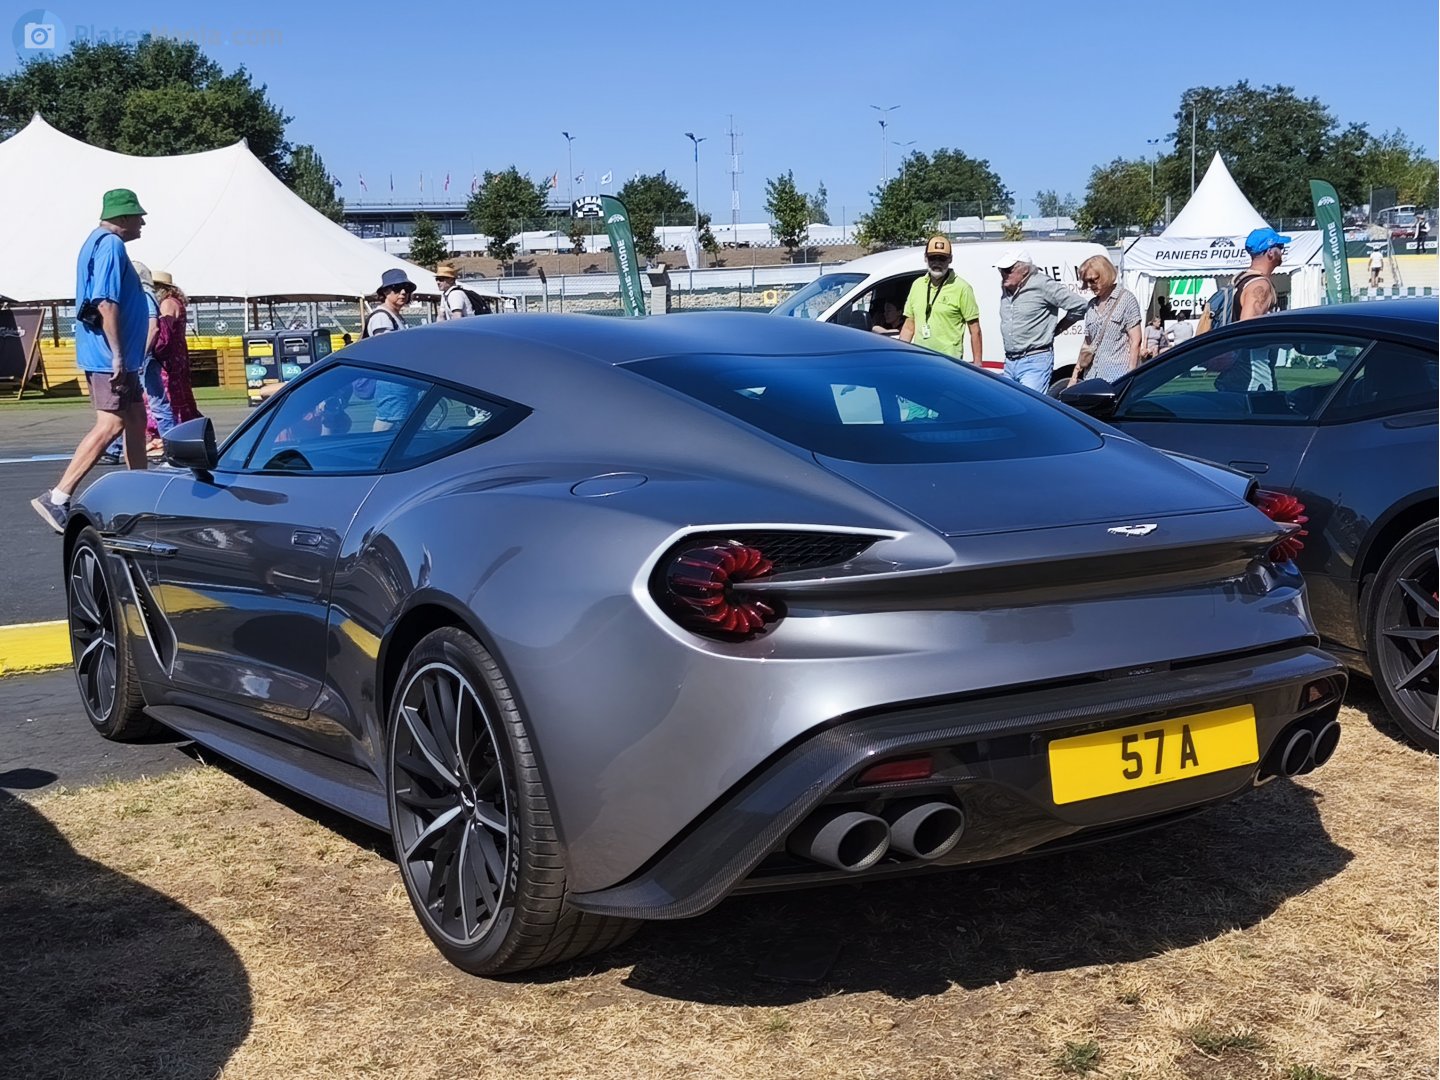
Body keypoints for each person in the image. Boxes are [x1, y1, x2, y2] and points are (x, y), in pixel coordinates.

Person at [32, 189, 150, 533]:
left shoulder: (94, 242)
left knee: (136, 418)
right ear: (124, 217)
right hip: (108, 355)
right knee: (111, 424)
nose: (142, 222)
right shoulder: (111, 245)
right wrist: (117, 354)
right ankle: (57, 496)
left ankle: (139, 492)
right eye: (138, 216)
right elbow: (105, 302)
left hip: (113, 356)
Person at [97, 260, 166, 465]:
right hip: (136, 357)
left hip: (140, 357)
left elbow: (152, 327)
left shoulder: (144, 295)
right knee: (130, 407)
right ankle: (116, 449)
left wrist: (141, 355)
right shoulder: (142, 295)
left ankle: (166, 444)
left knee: (147, 403)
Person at [994, 247, 1088, 391]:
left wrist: (1057, 329)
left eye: (1008, 270)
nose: (1003, 274)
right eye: (1001, 270)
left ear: (1024, 269)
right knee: (1009, 406)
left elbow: (1079, 305)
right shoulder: (1007, 287)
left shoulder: (1042, 284)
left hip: (1035, 359)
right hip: (1010, 361)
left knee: (1030, 407)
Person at [899, 235, 982, 363]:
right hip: (920, 360)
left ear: (950, 259)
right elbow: (909, 327)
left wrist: (978, 363)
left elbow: (975, 329)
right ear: (925, 258)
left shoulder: (962, 288)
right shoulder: (917, 285)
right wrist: (900, 357)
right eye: (933, 258)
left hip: (949, 364)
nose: (937, 263)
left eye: (942, 258)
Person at [1070, 255, 1141, 385]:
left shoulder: (1126, 299)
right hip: (1092, 376)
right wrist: (1074, 376)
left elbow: (1135, 341)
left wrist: (1131, 376)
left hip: (1118, 377)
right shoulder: (1091, 305)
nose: (1090, 286)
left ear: (1105, 275)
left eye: (1093, 280)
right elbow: (1087, 343)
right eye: (1087, 281)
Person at [365, 269, 418, 431]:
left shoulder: (394, 316)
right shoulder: (382, 317)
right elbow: (386, 353)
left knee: (400, 425)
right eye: (397, 288)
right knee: (388, 422)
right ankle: (373, 453)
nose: (403, 292)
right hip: (391, 381)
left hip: (401, 380)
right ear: (385, 292)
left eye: (406, 289)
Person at [152, 271, 201, 426]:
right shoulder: (176, 302)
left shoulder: (167, 303)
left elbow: (164, 333)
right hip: (177, 354)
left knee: (167, 394)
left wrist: (151, 350)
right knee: (180, 392)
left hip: (168, 358)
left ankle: (172, 428)